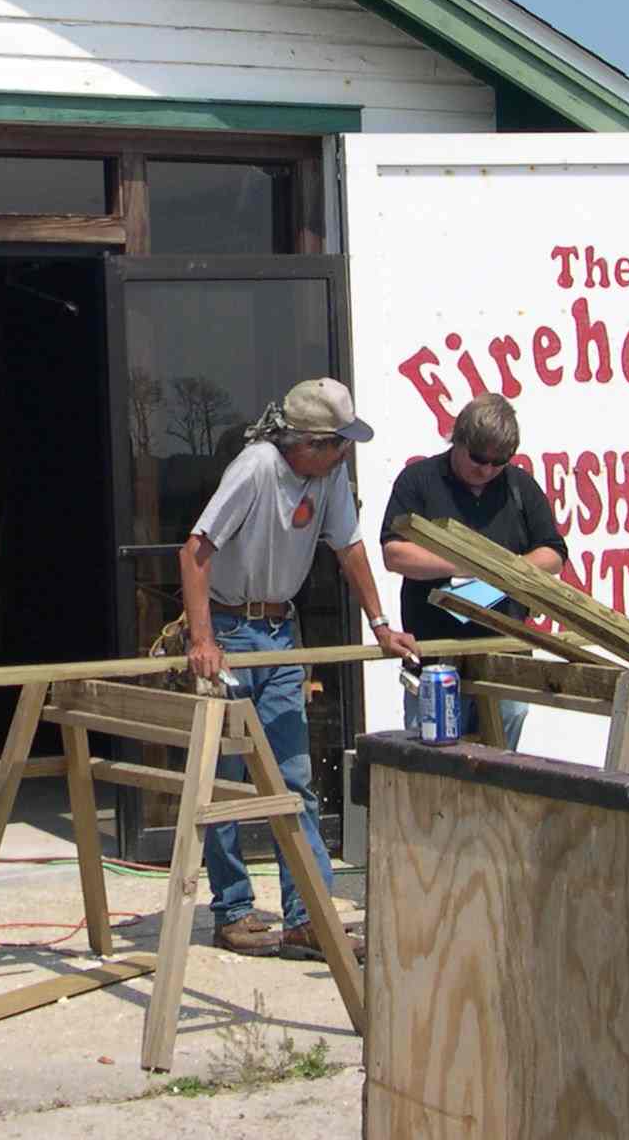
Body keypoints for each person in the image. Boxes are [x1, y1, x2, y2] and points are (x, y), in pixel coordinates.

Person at [180, 378, 420, 960]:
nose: (345, 453)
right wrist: (203, 638)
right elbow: (194, 551)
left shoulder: (330, 473)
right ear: (308, 441)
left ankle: (307, 916)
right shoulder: (257, 467)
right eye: (338, 443)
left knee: (293, 778)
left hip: (282, 633)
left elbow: (351, 548)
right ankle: (233, 910)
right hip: (234, 629)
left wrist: (382, 624)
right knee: (229, 782)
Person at [379, 393, 568, 750]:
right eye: (479, 459)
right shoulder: (419, 480)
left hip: (503, 651)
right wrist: (466, 564)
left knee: (501, 760)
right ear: (458, 440)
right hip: (436, 653)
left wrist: (502, 571)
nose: (487, 470)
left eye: (499, 462)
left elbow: (554, 553)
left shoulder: (518, 486)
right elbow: (395, 553)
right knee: (433, 764)